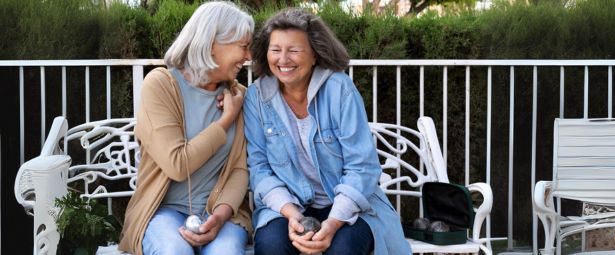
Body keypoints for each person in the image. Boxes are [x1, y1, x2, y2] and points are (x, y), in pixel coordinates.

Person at [244, 8, 412, 255]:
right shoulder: (256, 97)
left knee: (343, 248)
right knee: (271, 246)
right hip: (286, 205)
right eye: (276, 49)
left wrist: (333, 223)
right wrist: (292, 215)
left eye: (294, 50)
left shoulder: (340, 89)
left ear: (314, 54)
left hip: (347, 205)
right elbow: (259, 169)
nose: (283, 59)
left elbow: (362, 167)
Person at [118, 2, 253, 254]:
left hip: (220, 212)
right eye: (243, 47)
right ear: (213, 44)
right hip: (163, 211)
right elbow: (177, 164)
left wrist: (220, 217)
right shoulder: (161, 85)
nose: (249, 57)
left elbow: (239, 169)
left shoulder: (238, 95)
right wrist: (225, 121)